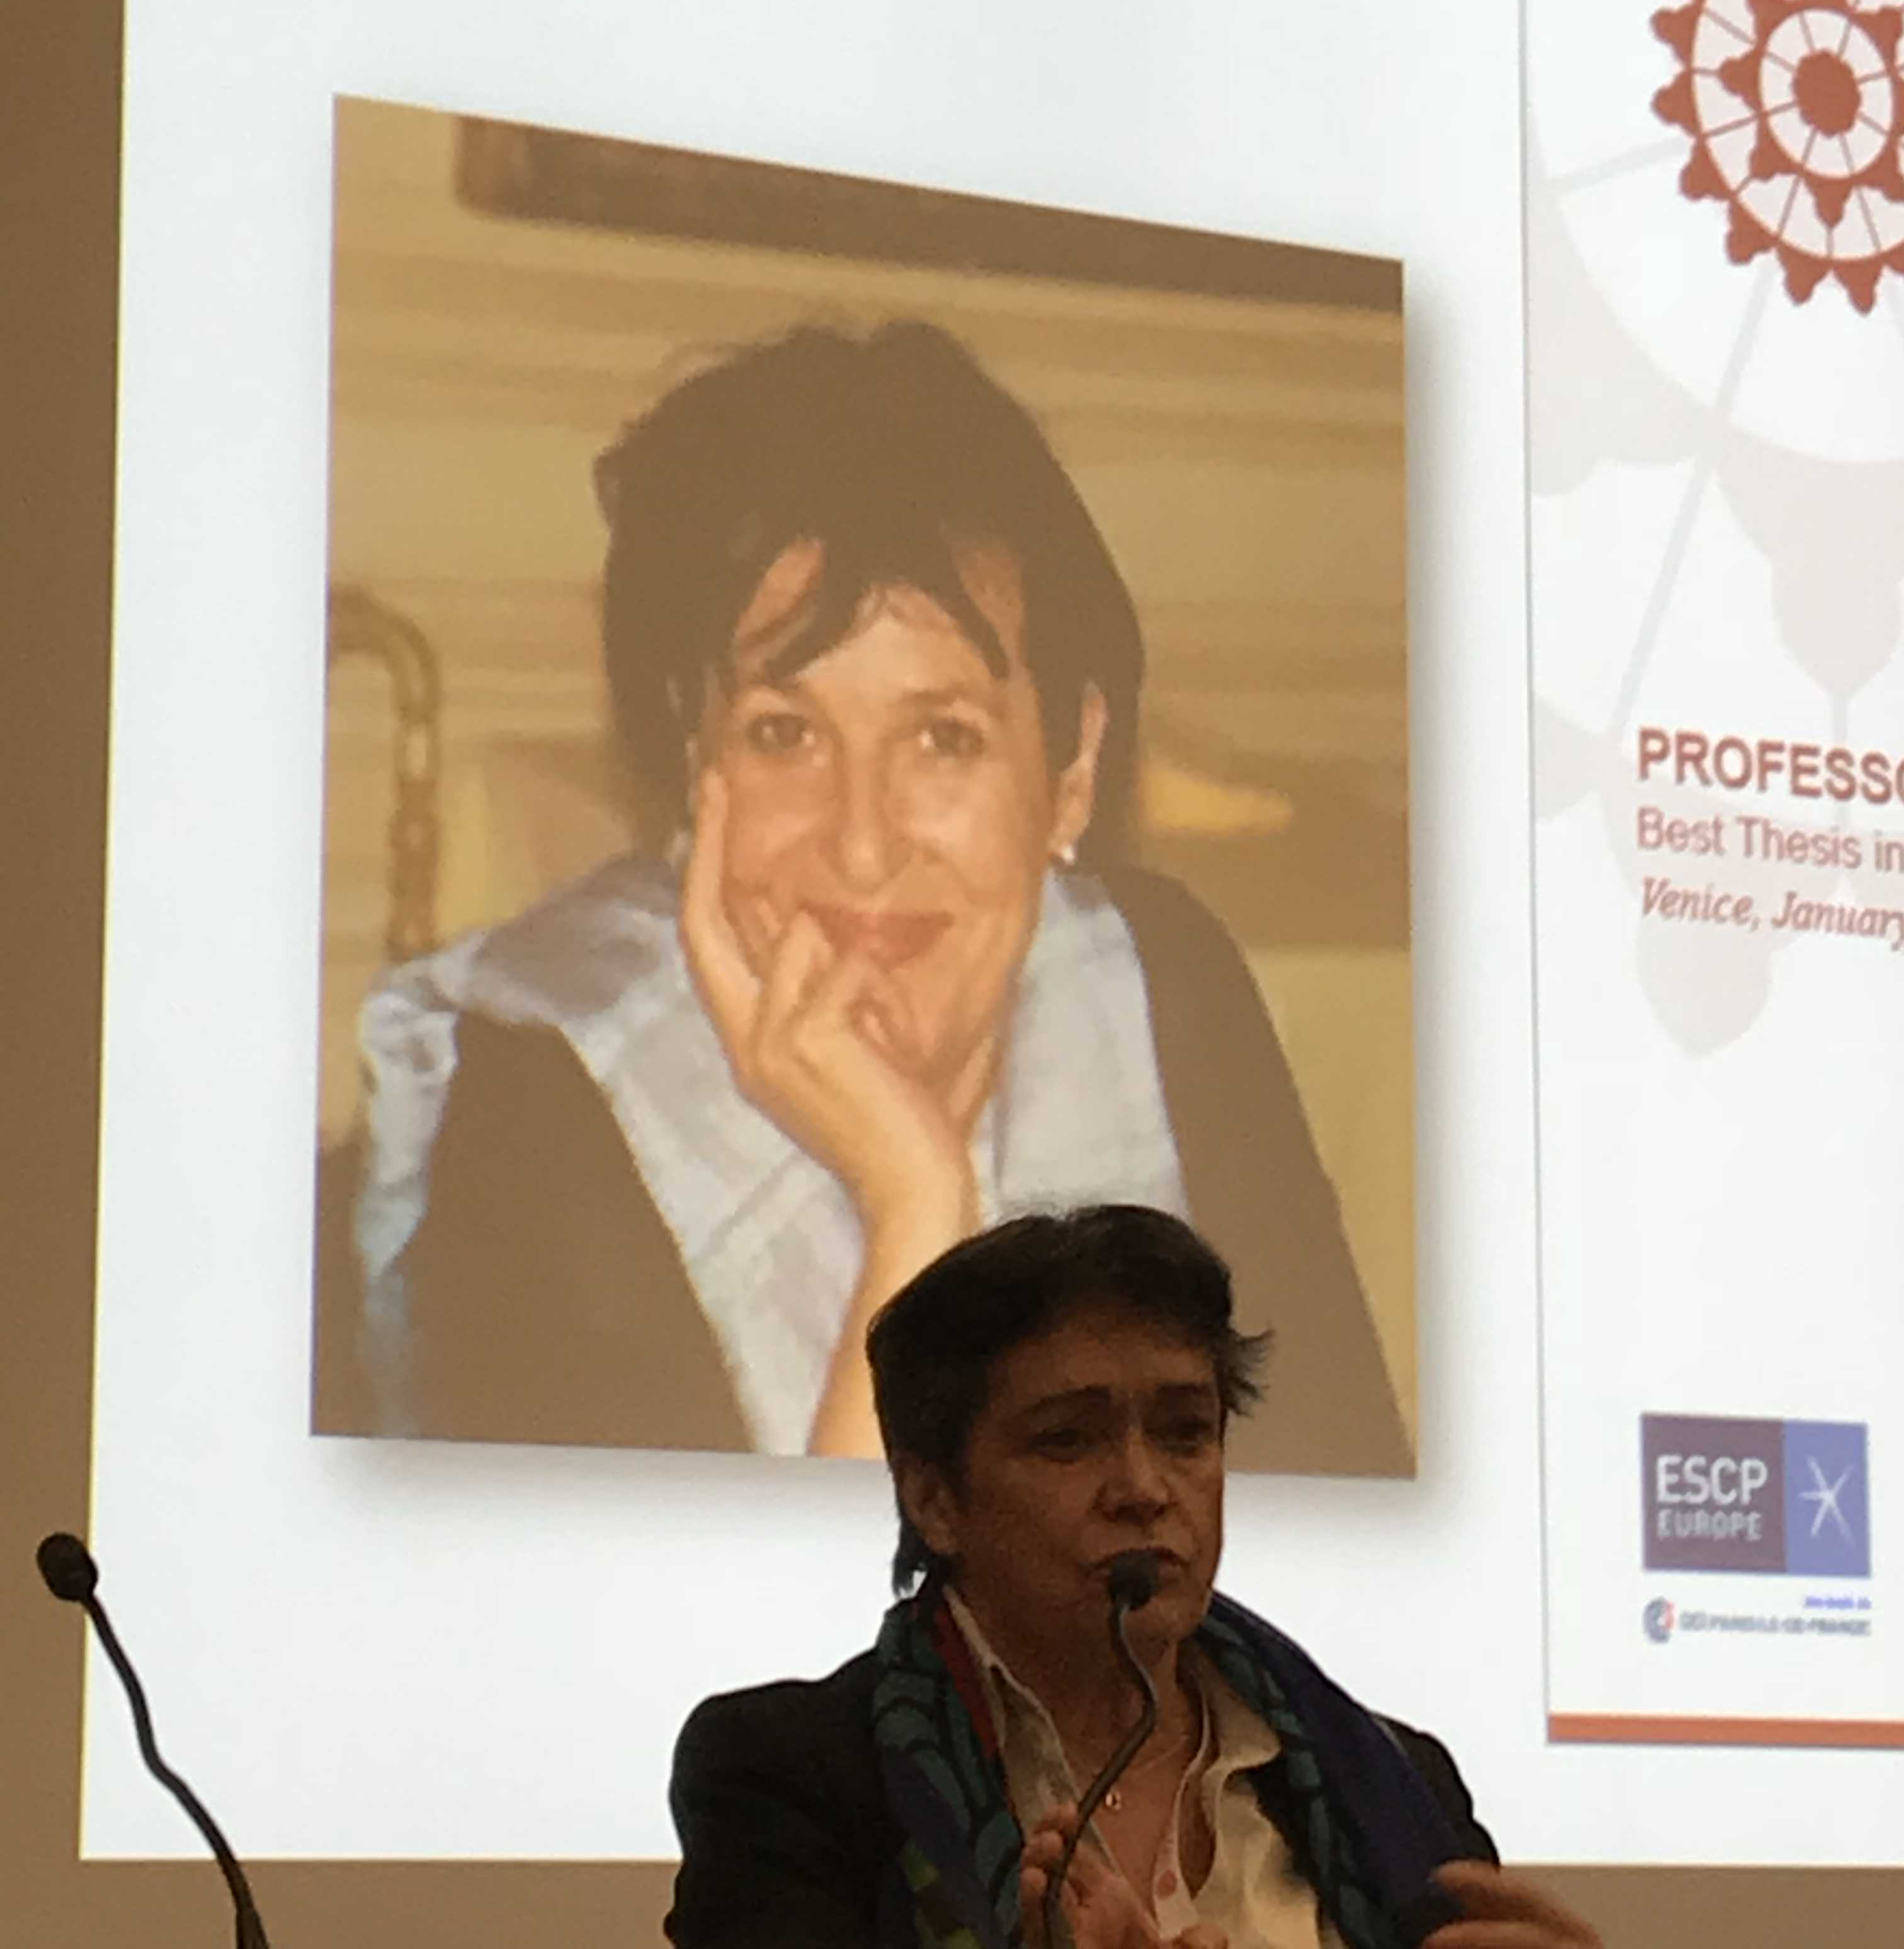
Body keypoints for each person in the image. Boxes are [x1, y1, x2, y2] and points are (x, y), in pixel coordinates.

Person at [344, 322, 1406, 1466]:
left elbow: (1339, 1490)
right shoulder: (543, 1100)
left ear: (1071, 773)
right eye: (783, 732)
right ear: (696, 766)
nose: (860, 847)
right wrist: (917, 1213)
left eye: (944, 738)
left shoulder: (1162, 987)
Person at [666, 1208, 1601, 1949]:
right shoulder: (791, 1776)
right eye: (1068, 1440)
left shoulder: (1396, 1781)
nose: (1145, 1489)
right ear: (934, 1498)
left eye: (1186, 1433)